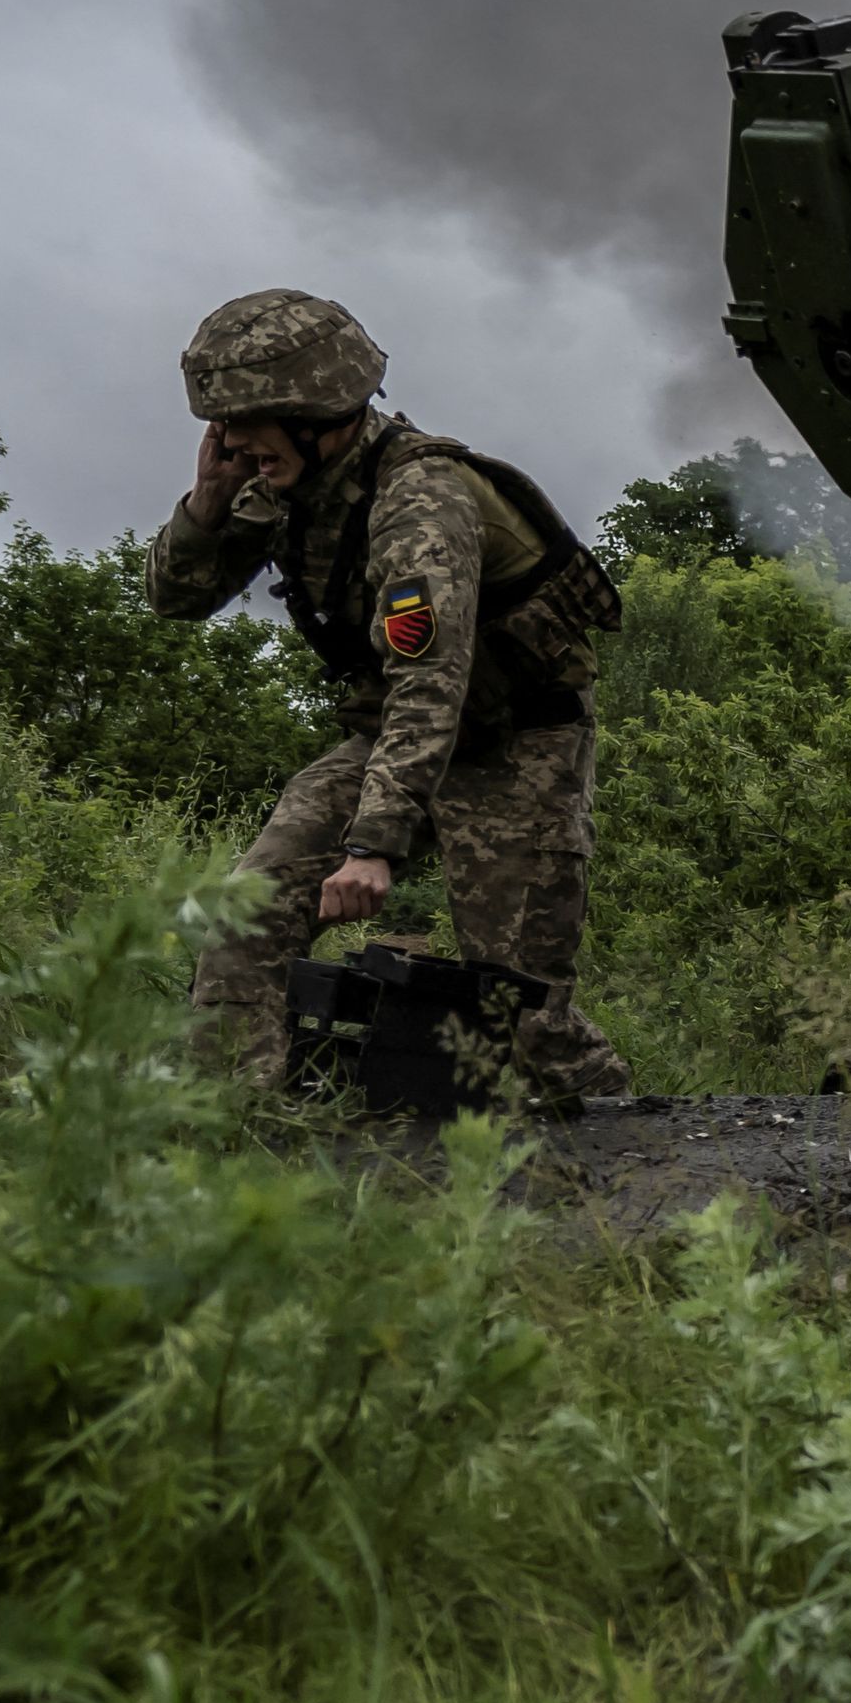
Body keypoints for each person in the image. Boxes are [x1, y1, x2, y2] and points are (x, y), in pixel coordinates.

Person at [150, 289, 631, 1100]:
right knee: (243, 916)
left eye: (245, 423)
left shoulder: (421, 499)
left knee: (516, 1012)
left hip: (514, 745)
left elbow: (429, 679)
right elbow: (177, 598)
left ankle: (639, 1158)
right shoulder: (287, 484)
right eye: (222, 426)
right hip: (393, 739)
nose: (230, 440)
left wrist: (372, 843)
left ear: (309, 409)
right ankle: (230, 1136)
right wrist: (206, 506)